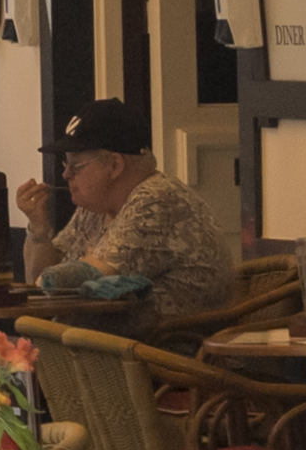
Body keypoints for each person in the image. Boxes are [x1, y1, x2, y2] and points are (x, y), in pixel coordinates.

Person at [36, 107, 224, 304]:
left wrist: (55, 277)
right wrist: (38, 229)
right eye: (65, 165)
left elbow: (79, 277)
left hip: (169, 333)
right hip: (104, 328)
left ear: (115, 165)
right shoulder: (95, 207)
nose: (66, 175)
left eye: (75, 166)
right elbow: (43, 280)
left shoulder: (156, 200)